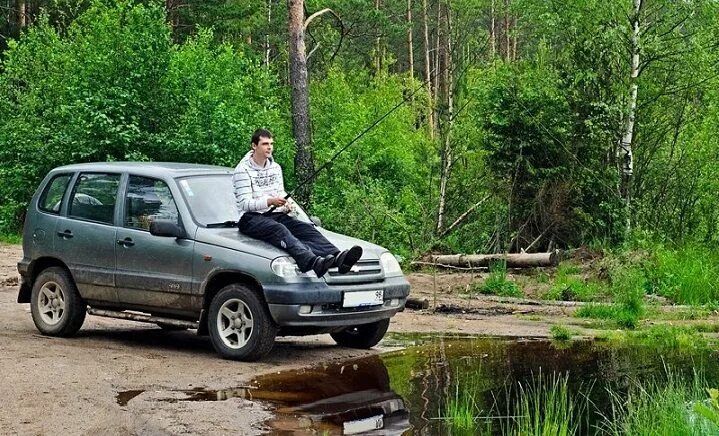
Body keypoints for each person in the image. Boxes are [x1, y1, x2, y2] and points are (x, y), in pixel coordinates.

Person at [233, 128, 362, 277]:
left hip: (275, 215)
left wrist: (287, 205)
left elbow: (280, 192)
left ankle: (338, 258)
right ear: (254, 146)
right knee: (279, 230)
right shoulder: (242, 171)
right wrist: (270, 201)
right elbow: (245, 203)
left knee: (306, 229)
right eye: (265, 144)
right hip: (251, 219)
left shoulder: (275, 168)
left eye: (271, 144)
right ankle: (313, 263)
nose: (269, 147)